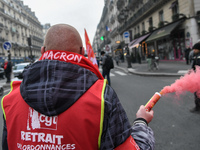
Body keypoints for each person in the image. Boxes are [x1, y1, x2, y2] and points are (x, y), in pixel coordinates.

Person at [2, 24, 155, 150]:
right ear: (82, 52)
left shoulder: (9, 100)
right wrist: (141, 122)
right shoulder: (102, 97)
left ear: (43, 51)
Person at [190, 42, 200, 113]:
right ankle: (197, 107)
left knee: (197, 93)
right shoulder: (196, 55)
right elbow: (194, 66)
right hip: (196, 78)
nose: (194, 50)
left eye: (195, 49)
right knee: (196, 93)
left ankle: (198, 108)